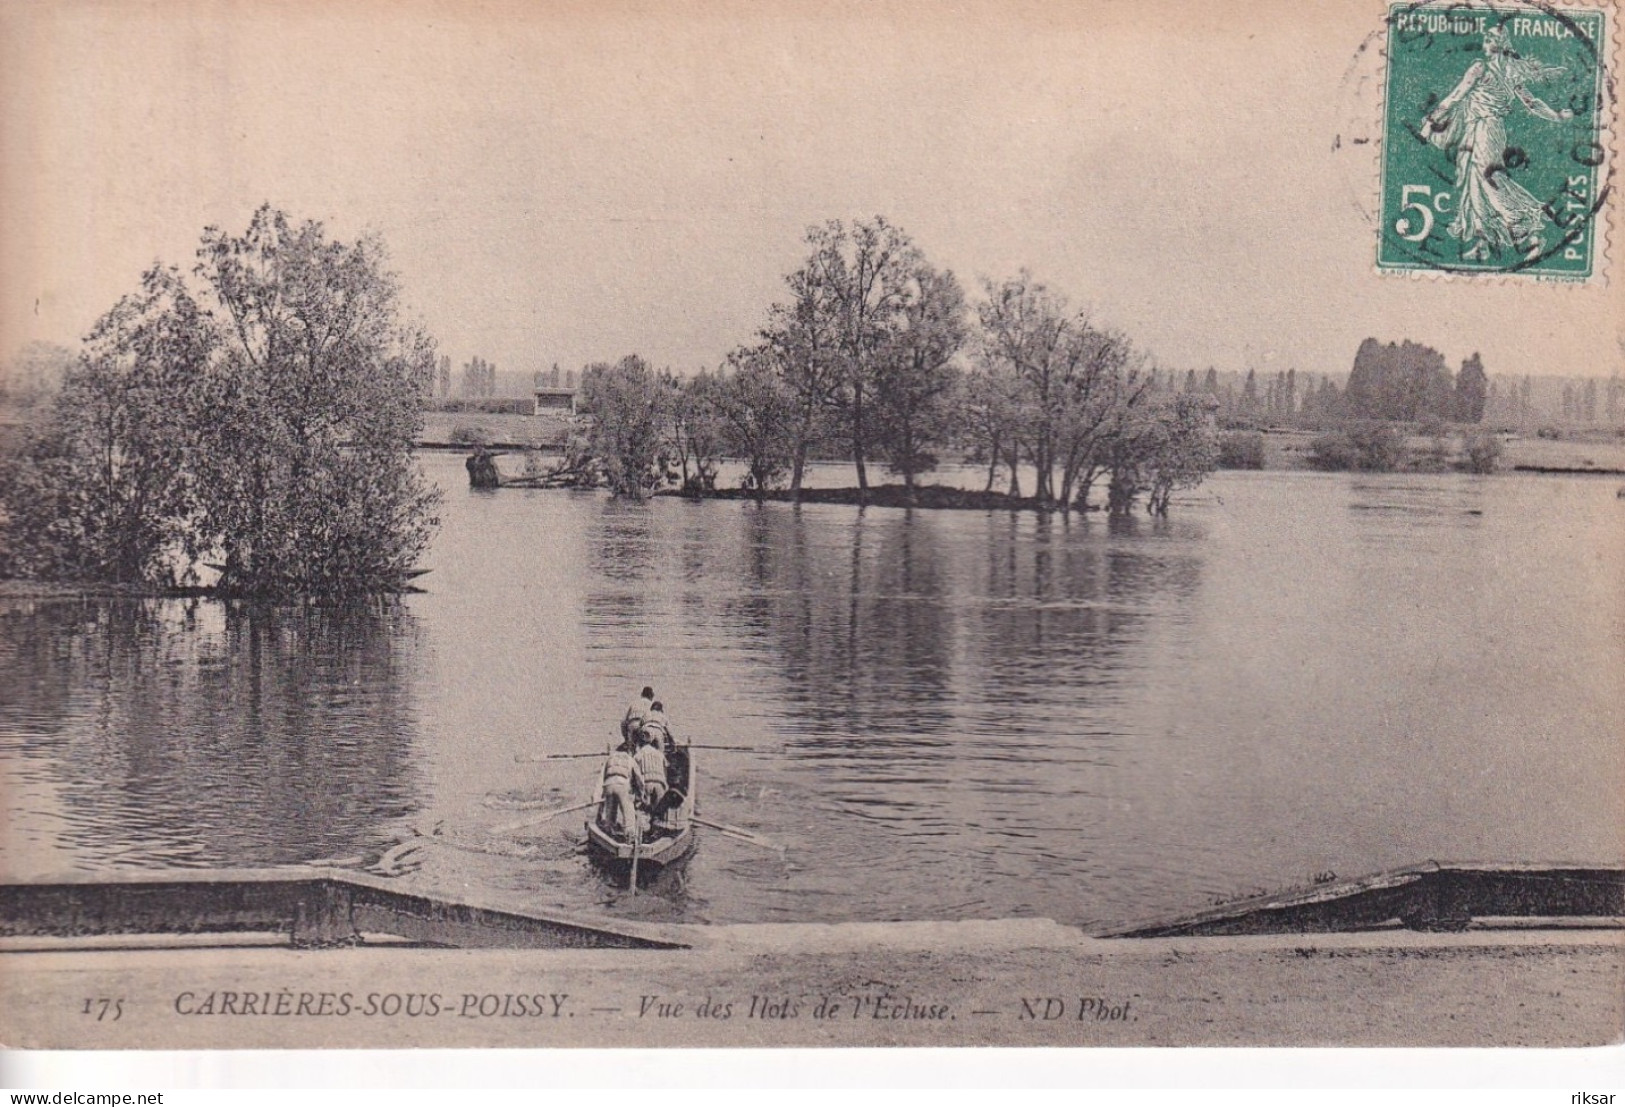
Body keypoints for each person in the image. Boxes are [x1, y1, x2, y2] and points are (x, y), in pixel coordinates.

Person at [1422, 24, 1574, 262]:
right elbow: (1532, 103)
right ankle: (1484, 241)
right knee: (1473, 187)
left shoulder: (1481, 68)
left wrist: (1431, 121)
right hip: (1478, 130)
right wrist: (1557, 116)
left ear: (1501, 44)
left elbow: (1456, 95)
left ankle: (1520, 222)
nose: (1486, 39)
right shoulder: (1509, 74)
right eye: (1486, 36)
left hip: (1486, 129)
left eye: (1491, 37)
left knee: (1487, 178)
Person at [598, 735, 646, 840]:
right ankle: (630, 836)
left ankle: (608, 834)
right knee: (628, 811)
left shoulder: (609, 758)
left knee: (610, 812)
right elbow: (639, 779)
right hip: (622, 785)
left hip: (608, 785)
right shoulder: (630, 759)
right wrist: (641, 793)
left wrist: (597, 796)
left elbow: (601, 776)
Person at [634, 726, 668, 813]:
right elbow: (665, 770)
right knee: (658, 811)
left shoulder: (639, 754)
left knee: (643, 810)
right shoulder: (660, 754)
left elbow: (634, 772)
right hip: (660, 783)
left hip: (646, 782)